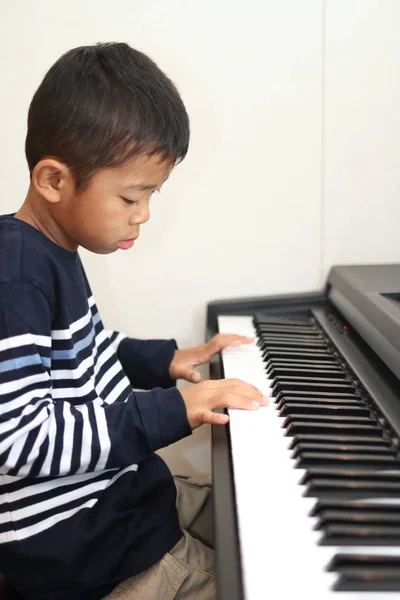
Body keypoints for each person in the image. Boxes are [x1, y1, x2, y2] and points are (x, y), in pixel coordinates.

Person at [0, 42, 268, 600]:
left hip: (117, 502)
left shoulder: (50, 249)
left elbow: (87, 349)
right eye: (131, 195)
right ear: (54, 180)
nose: (143, 213)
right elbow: (20, 440)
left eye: (152, 194)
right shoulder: (17, 276)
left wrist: (165, 360)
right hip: (95, 553)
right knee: (266, 580)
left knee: (254, 506)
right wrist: (173, 411)